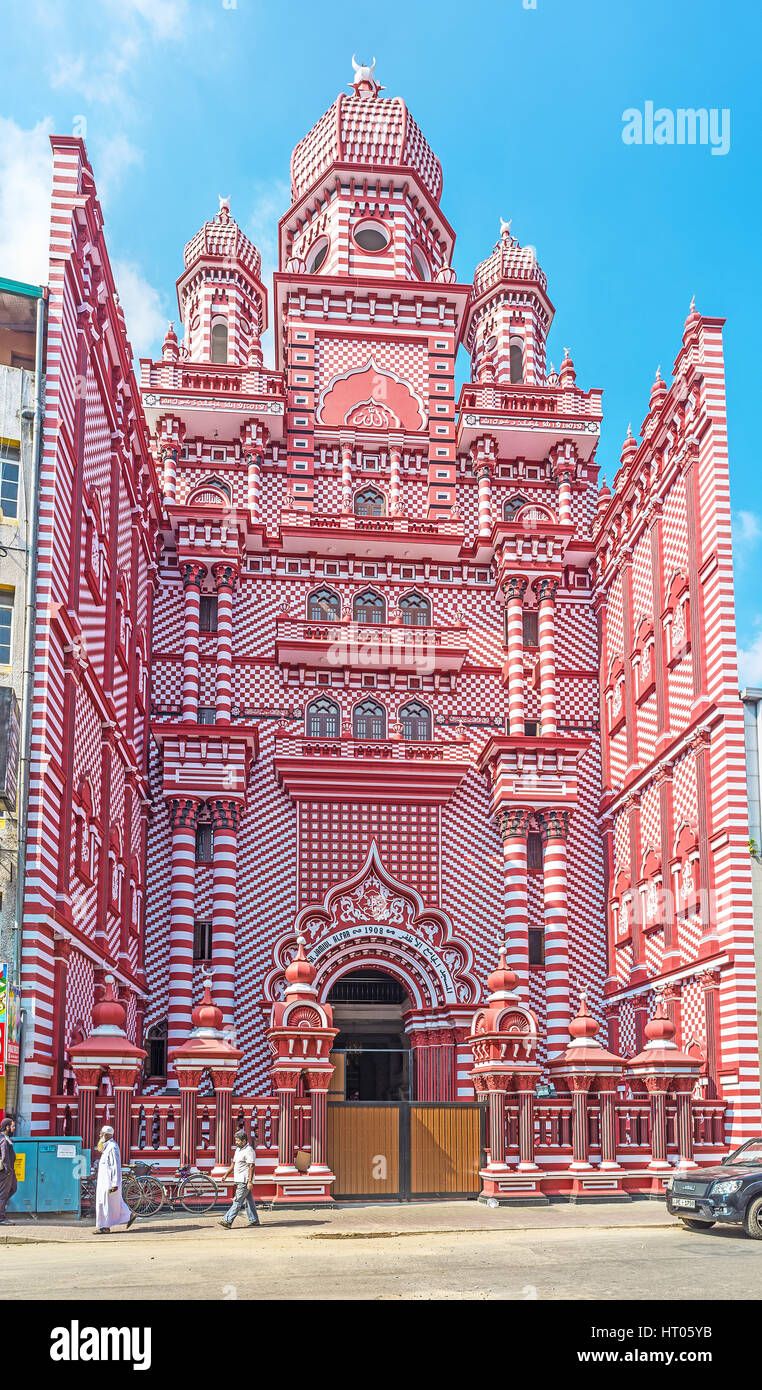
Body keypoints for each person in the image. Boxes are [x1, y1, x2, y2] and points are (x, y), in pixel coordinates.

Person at [94, 1125, 135, 1234]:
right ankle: (130, 1215)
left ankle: (105, 1227)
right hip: (104, 1181)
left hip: (109, 1182)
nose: (99, 1135)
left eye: (101, 1133)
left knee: (107, 1203)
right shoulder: (107, 1147)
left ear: (106, 1135)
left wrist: (114, 1183)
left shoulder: (112, 1147)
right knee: (113, 1202)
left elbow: (115, 1166)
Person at [218, 1129, 259, 1228]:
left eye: (238, 1141)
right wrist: (225, 1175)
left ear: (244, 1141)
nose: (236, 1142)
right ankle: (254, 1220)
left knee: (237, 1201)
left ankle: (227, 1220)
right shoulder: (238, 1150)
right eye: (236, 1140)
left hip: (244, 1181)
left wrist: (250, 1181)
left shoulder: (249, 1151)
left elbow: (251, 1166)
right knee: (249, 1201)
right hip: (239, 1179)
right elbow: (233, 1164)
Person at [0, 1117, 17, 1225]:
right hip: (6, 1172)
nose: (14, 1128)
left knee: (13, 1188)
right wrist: (8, 1170)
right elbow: (5, 1156)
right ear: (7, 1127)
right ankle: (1, 1218)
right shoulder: (3, 1140)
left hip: (9, 1171)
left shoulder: (5, 1138)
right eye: (13, 1126)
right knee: (3, 1195)